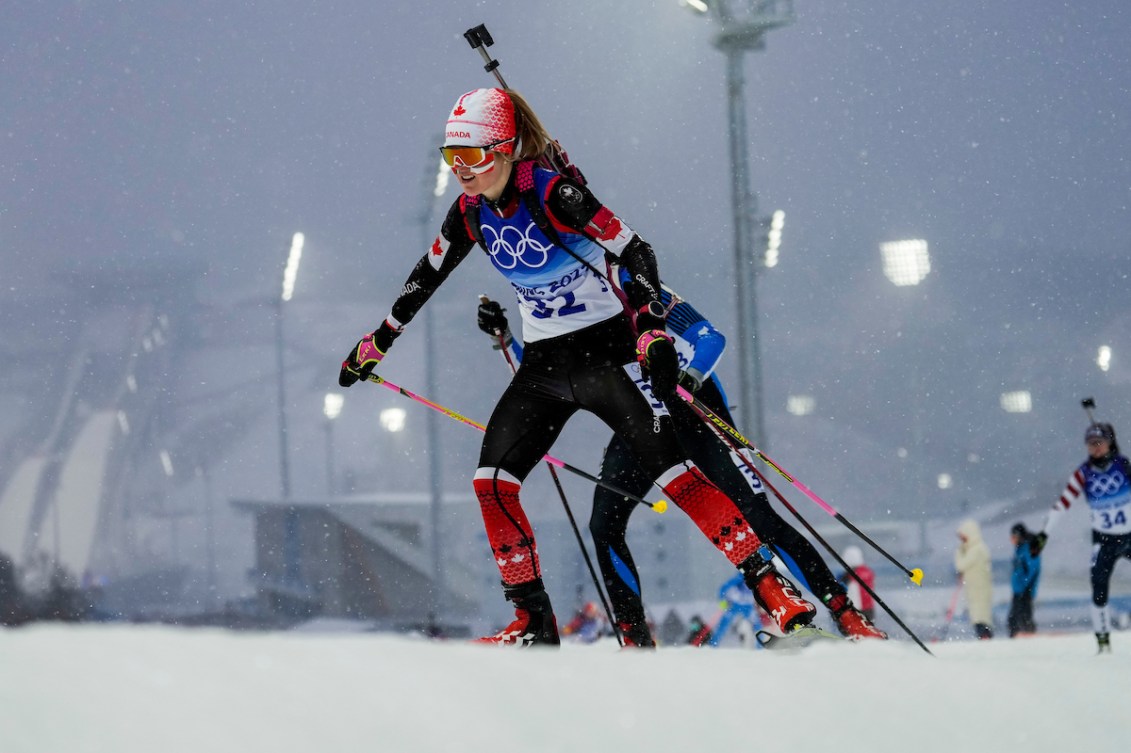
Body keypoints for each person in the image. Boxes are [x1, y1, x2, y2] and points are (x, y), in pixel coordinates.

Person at [338, 87, 817, 646]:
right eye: (452, 158)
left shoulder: (553, 192)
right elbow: (429, 272)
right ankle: (533, 622)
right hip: (545, 364)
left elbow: (637, 252)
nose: (460, 171)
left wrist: (653, 332)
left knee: (674, 475)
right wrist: (379, 340)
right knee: (490, 482)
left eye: (471, 157)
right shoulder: (470, 212)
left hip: (604, 352)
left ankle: (773, 590)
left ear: (506, 149)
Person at [476, 280, 887, 645]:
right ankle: (635, 637)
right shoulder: (579, 304)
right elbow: (549, 376)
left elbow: (711, 338)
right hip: (640, 422)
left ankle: (845, 613)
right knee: (604, 525)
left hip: (694, 413)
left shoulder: (648, 293)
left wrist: (687, 377)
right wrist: (505, 337)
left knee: (759, 520)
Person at [1034, 421, 1131, 654]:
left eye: (1100, 443)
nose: (1095, 448)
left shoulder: (1123, 465)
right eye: (1090, 444)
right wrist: (1044, 534)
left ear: (1110, 443)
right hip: (1104, 540)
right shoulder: (1083, 474)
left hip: (1129, 535)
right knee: (1098, 587)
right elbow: (1062, 504)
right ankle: (1103, 642)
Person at [954, 518, 994, 639]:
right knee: (980, 617)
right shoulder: (978, 548)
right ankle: (985, 637)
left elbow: (961, 565)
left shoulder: (976, 550)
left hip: (979, 590)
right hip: (976, 590)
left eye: (963, 537)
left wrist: (959, 552)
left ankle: (985, 637)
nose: (962, 540)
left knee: (980, 617)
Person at [1007, 522, 1040, 637]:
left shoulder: (1028, 549)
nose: (1011, 539)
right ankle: (1018, 639)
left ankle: (1028, 638)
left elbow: (1032, 570)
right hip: (1018, 590)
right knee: (1014, 619)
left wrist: (1026, 587)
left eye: (1013, 536)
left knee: (1023, 618)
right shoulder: (1020, 549)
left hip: (1025, 590)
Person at [838, 545, 877, 622]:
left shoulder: (850, 574)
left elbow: (840, 584)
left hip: (856, 610)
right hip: (869, 609)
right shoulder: (868, 571)